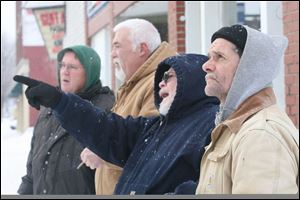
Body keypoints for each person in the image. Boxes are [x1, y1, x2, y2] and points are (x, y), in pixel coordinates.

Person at [14, 53, 219, 194]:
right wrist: (59, 101)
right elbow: (107, 129)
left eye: (169, 76)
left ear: (192, 81)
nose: (161, 83)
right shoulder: (156, 126)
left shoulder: (211, 125)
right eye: (160, 78)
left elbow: (206, 187)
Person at [195, 24, 299, 194]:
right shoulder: (237, 126)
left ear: (248, 68)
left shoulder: (260, 134)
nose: (206, 65)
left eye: (219, 57)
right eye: (209, 57)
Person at [81, 18, 177, 194]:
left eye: (117, 46)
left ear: (142, 49)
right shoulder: (134, 83)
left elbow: (151, 144)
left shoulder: (160, 84)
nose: (112, 54)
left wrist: (102, 150)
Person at [17, 45, 115, 194]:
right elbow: (32, 170)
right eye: (62, 65)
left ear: (89, 73)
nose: (65, 71)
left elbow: (111, 173)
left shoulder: (107, 109)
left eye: (73, 67)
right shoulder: (48, 109)